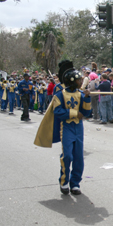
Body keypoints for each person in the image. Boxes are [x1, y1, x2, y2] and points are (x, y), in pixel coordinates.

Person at [36, 66, 91, 195]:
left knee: (78, 157)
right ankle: (64, 181)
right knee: (67, 156)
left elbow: (87, 112)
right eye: (78, 80)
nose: (81, 82)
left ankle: (75, 183)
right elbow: (58, 111)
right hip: (66, 127)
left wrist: (87, 98)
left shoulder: (81, 94)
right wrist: (74, 113)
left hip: (78, 128)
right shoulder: (59, 95)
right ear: (72, 81)